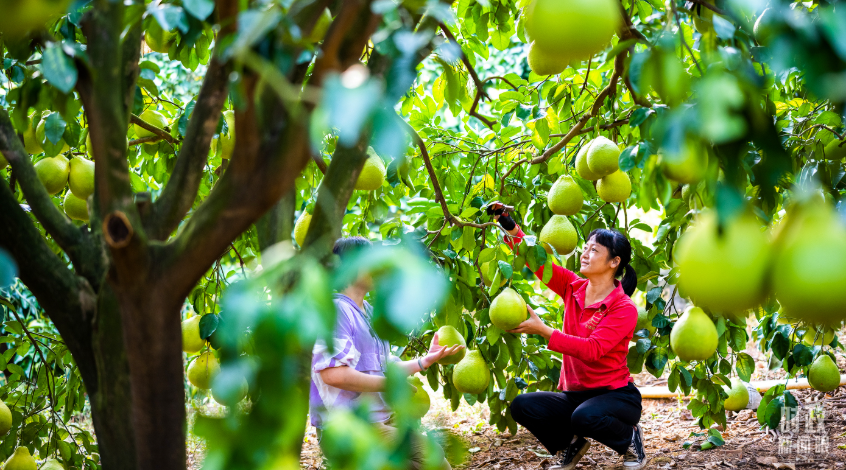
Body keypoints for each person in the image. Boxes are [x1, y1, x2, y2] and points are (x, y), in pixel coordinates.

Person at [487, 203, 646, 470]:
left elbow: (592, 350)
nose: (585, 253)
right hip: (575, 395)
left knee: (584, 417)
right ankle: (572, 443)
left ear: (614, 262)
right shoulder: (572, 287)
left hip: (617, 396)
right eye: (586, 247)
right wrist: (509, 225)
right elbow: (538, 262)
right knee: (522, 406)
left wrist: (544, 331)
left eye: (594, 250)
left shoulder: (623, 307)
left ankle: (630, 439)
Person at [309, 236, 464, 470]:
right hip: (349, 426)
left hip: (379, 418)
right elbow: (333, 374)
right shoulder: (337, 310)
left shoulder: (369, 312)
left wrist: (424, 361)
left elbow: (383, 366)